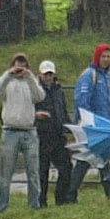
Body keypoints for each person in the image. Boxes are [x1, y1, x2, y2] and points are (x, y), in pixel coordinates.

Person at [72, 43, 110, 199]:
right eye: (103, 56)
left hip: (104, 125)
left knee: (101, 158)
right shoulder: (89, 75)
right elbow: (82, 101)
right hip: (94, 126)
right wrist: (89, 123)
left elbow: (106, 103)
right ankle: (70, 193)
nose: (106, 59)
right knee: (86, 160)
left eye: (109, 56)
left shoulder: (107, 76)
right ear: (97, 57)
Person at [0, 52, 44, 212]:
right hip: (10, 132)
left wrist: (30, 77)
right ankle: (1, 206)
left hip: (29, 131)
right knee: (6, 173)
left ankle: (34, 205)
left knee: (33, 172)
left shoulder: (30, 83)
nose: (20, 68)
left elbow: (40, 96)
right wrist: (8, 75)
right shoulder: (7, 82)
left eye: (23, 65)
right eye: (17, 65)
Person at [33, 59, 75, 206]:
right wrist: (36, 116)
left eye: (50, 74)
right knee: (42, 171)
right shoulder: (35, 90)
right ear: (40, 74)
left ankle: (61, 198)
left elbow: (62, 110)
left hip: (58, 135)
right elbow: (29, 111)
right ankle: (41, 202)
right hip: (42, 136)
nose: (48, 77)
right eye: (45, 74)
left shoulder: (58, 90)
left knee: (66, 167)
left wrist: (70, 126)